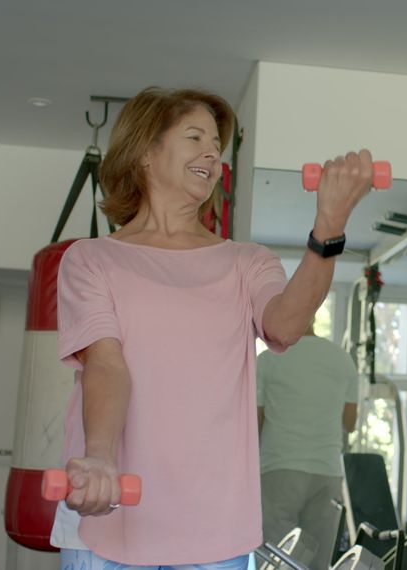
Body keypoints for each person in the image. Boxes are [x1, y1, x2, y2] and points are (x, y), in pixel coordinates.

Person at [49, 86, 377, 569]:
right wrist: (99, 458)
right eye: (195, 137)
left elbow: (285, 326)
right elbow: (106, 362)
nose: (211, 154)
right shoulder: (93, 259)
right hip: (112, 507)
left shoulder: (245, 262)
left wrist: (328, 226)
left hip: (215, 527)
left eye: (216, 147)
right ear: (144, 151)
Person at [256, 324, 359, 570]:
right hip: (326, 472)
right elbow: (350, 423)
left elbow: (255, 422)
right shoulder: (342, 360)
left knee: (276, 560)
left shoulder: (268, 360)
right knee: (318, 562)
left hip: (279, 469)